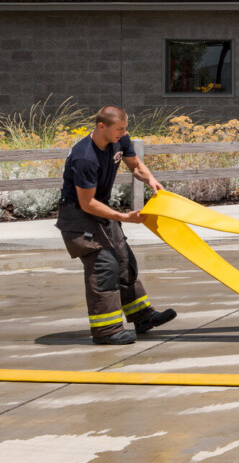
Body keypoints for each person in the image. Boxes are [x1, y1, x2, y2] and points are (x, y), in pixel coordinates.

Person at [56, 106, 176, 345]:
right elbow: (86, 202)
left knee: (124, 260)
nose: (123, 133)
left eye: (125, 128)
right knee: (104, 266)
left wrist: (151, 179)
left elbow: (135, 166)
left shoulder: (120, 138)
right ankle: (106, 331)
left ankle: (143, 317)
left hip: (99, 207)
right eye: (119, 129)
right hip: (78, 214)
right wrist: (122, 217)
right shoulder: (85, 157)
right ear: (102, 127)